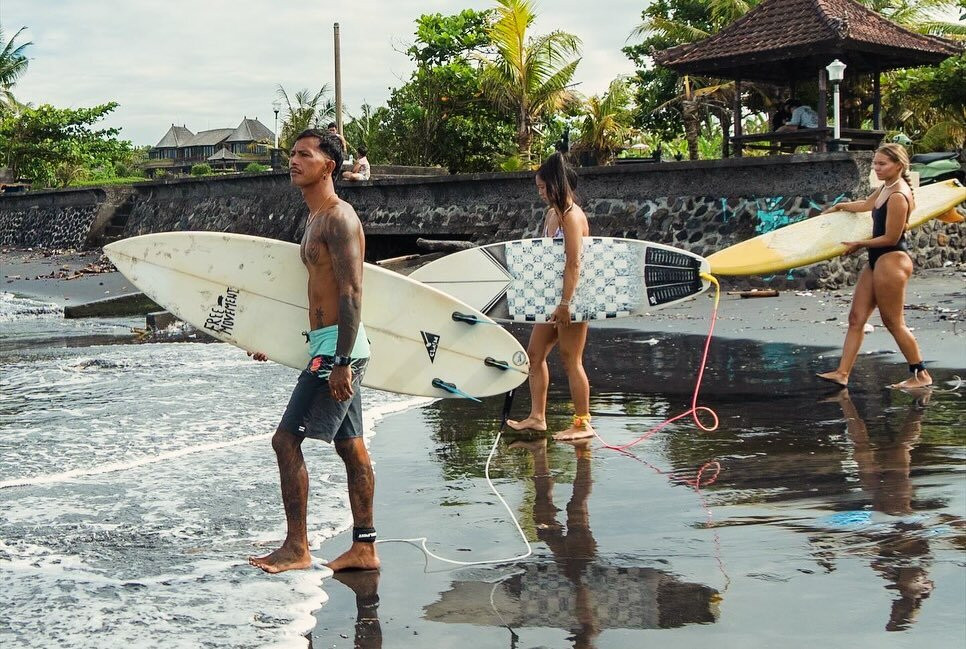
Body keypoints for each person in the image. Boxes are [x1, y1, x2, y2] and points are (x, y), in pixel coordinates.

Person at [248, 128, 378, 574]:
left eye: (304, 154)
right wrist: (277, 342)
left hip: (337, 352)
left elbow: (352, 293)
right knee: (351, 447)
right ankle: (364, 547)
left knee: (285, 440)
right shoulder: (314, 218)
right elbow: (309, 295)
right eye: (292, 154)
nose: (294, 160)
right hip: (329, 347)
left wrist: (341, 361)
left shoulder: (339, 218)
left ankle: (297, 547)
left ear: (330, 166)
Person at [817, 143, 931, 389]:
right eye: (874, 164)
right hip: (876, 259)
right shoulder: (885, 188)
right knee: (856, 317)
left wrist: (859, 243)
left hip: (892, 259)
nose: (876, 168)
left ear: (898, 166)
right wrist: (840, 206)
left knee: (893, 322)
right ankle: (842, 373)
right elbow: (865, 205)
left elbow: (891, 237)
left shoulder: (899, 195)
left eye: (882, 164)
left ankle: (920, 374)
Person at [507, 152, 594, 440]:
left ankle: (582, 424)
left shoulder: (572, 217)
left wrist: (566, 304)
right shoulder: (551, 215)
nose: (540, 193)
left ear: (556, 185)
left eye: (543, 187)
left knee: (571, 360)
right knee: (534, 355)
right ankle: (537, 417)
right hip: (549, 301)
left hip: (572, 301)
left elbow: (574, 263)